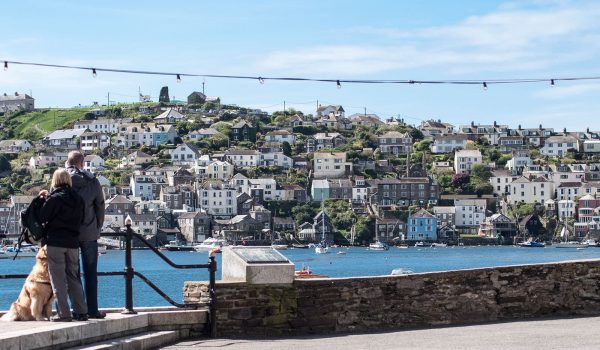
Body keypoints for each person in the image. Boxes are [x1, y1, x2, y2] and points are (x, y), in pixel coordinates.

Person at [39, 168, 88, 322]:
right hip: (73, 243)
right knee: (74, 277)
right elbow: (83, 219)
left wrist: (42, 200)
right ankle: (81, 312)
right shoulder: (78, 198)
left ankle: (64, 314)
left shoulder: (54, 198)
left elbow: (42, 216)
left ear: (55, 180)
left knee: (58, 279)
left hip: (56, 242)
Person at [65, 151, 106, 319]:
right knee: (91, 273)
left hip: (69, 233)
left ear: (68, 163)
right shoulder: (93, 181)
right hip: (90, 232)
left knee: (72, 274)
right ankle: (93, 310)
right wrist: (97, 226)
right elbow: (100, 206)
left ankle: (78, 310)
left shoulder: (62, 180)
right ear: (82, 163)